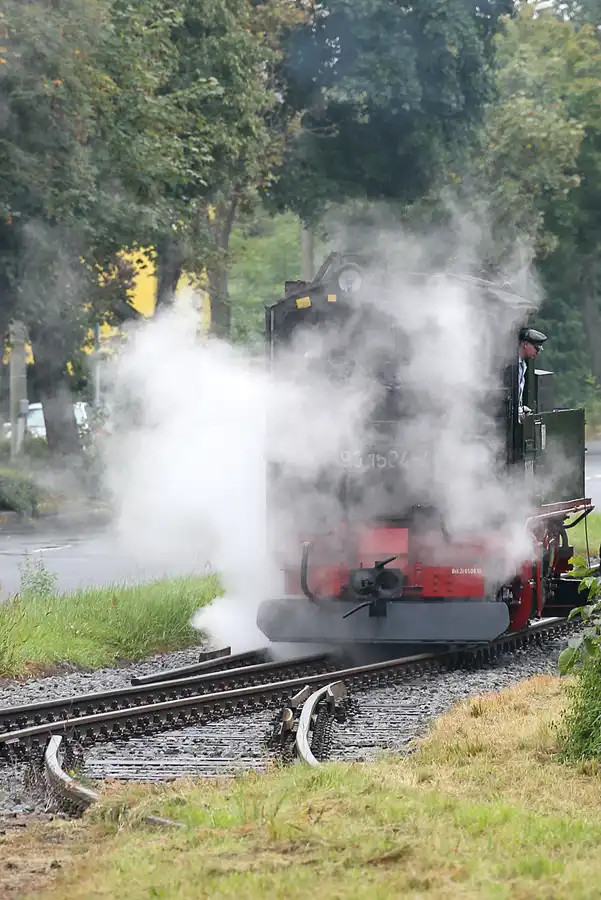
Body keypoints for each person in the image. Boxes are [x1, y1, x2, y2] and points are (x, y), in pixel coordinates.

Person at [518, 326, 547, 420]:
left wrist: (520, 409)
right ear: (526, 344)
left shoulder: (523, 365)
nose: (537, 353)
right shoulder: (511, 365)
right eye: (536, 348)